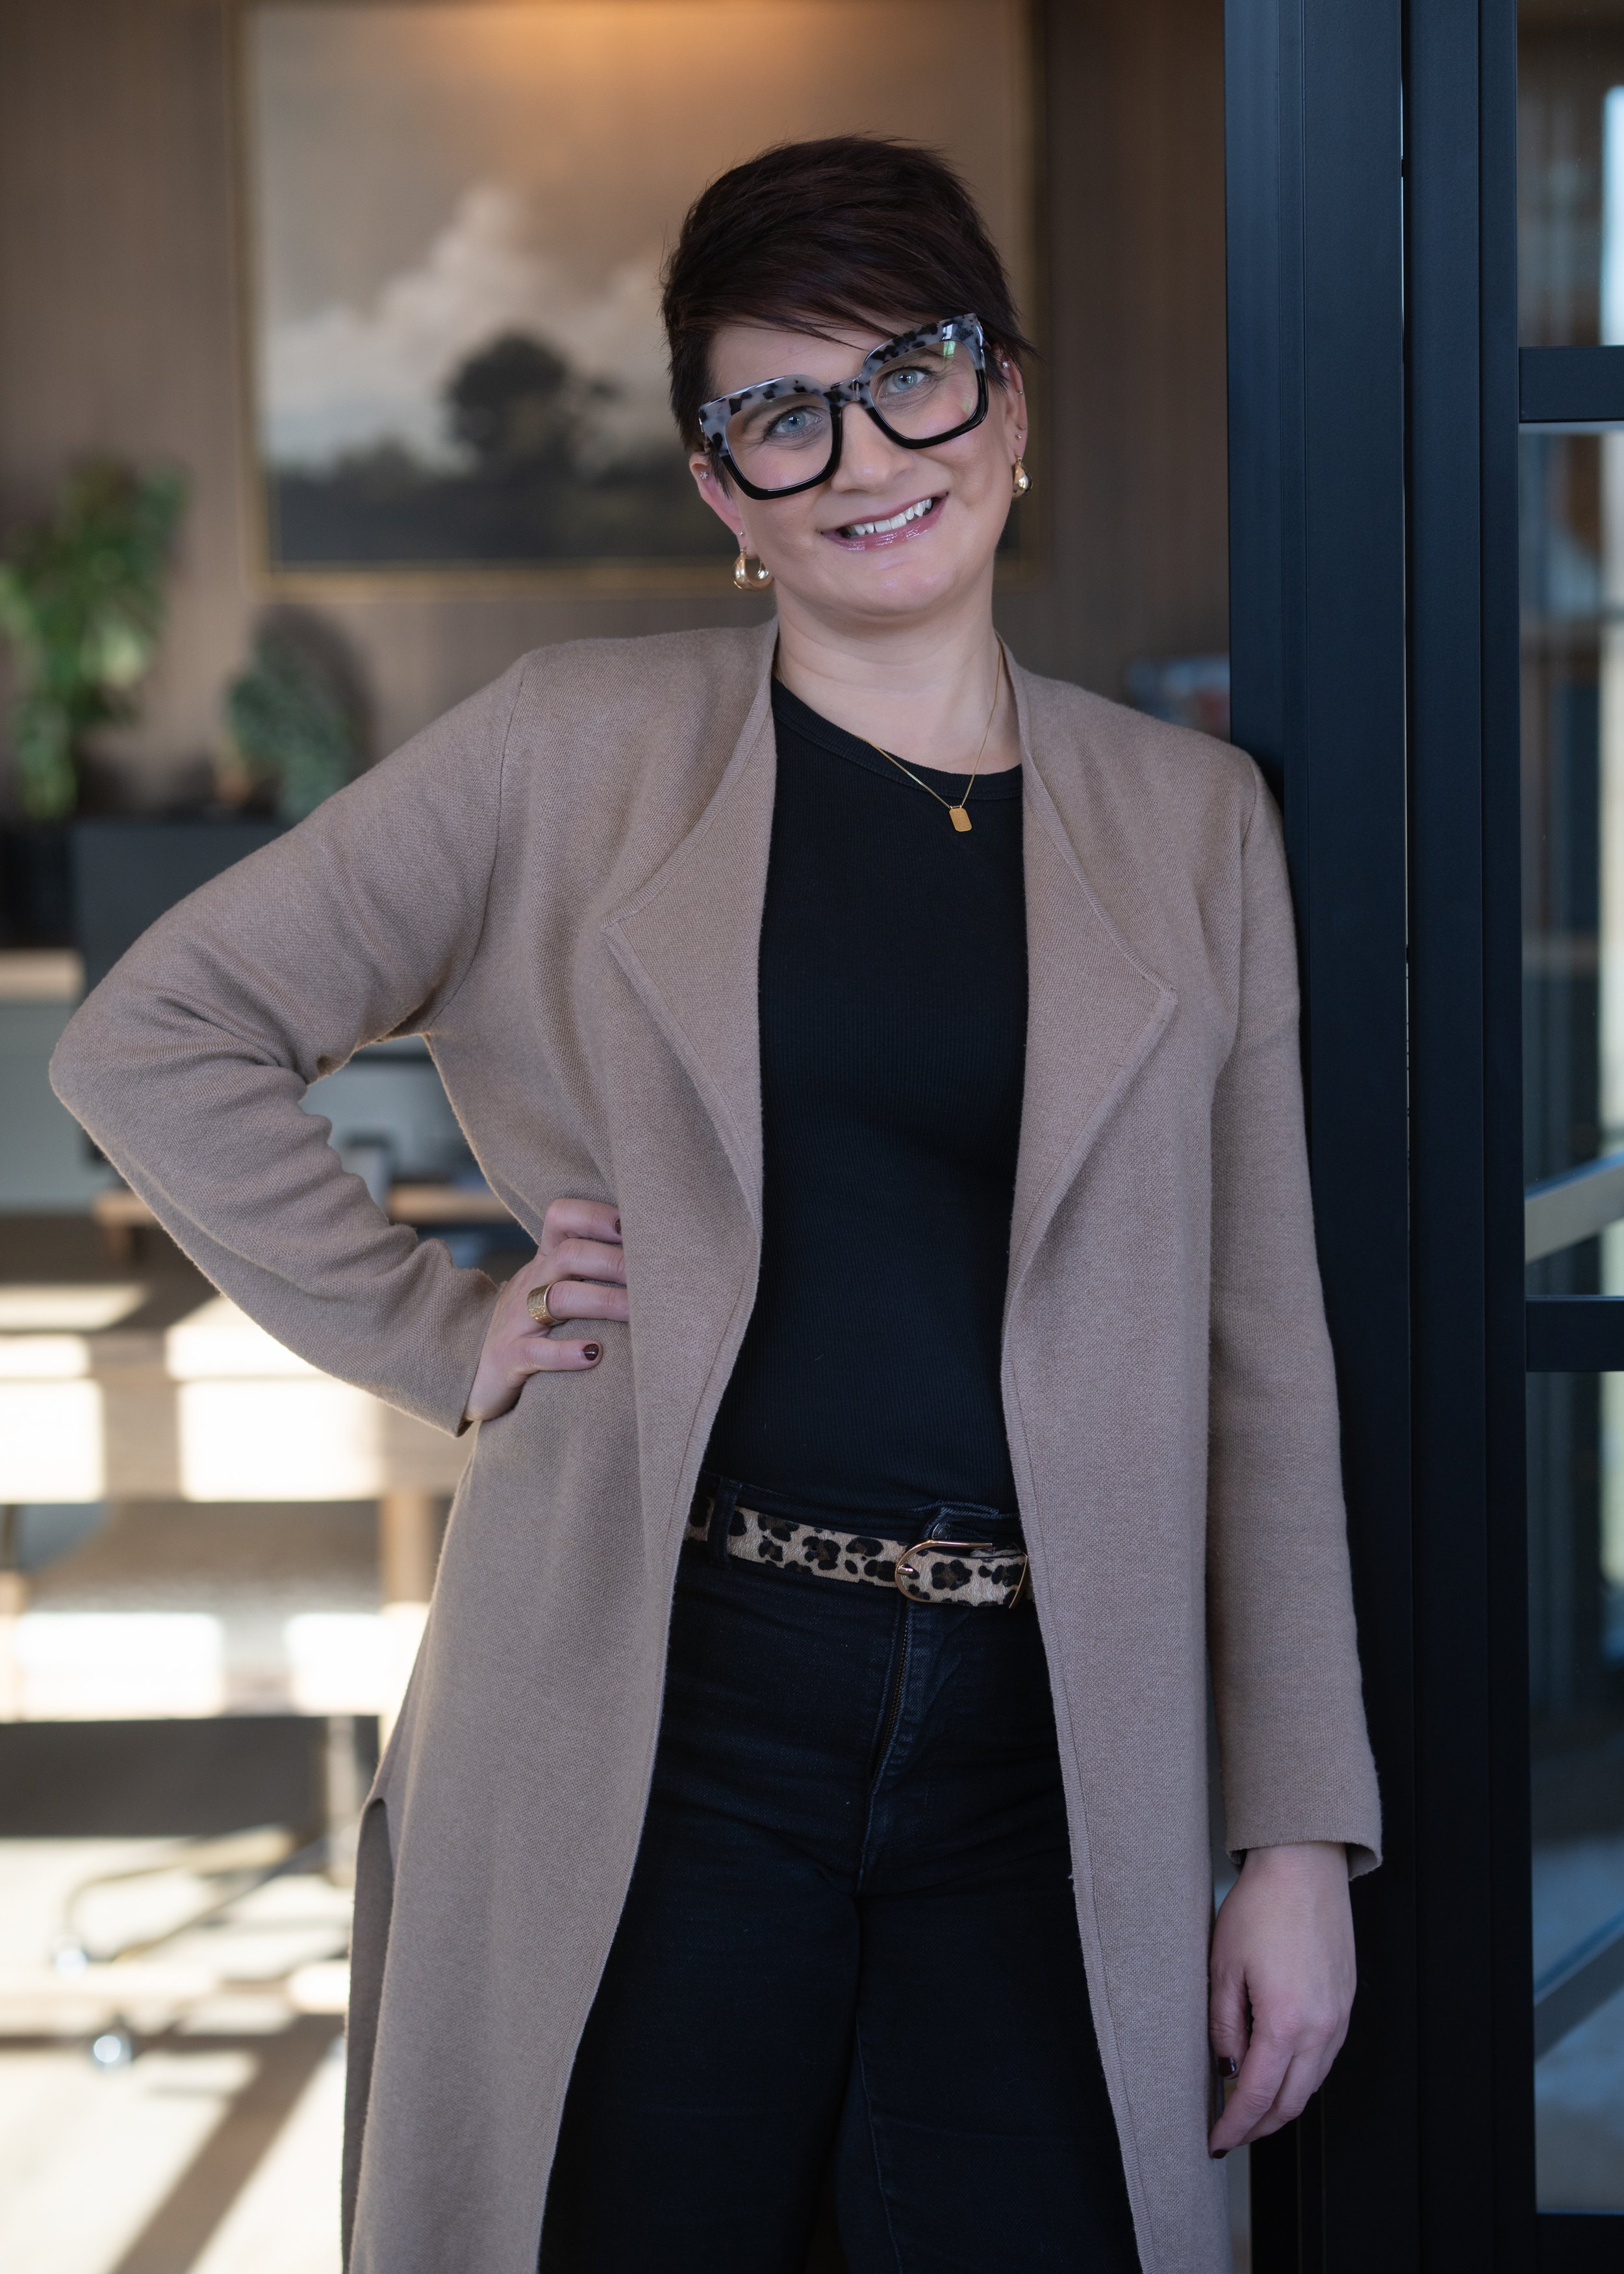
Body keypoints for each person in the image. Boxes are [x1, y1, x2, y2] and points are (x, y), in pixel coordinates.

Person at [51, 136, 1379, 2274]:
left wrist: (1296, 1827)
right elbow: (154, 1034)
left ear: (1008, 403)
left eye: (913, 372)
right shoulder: (566, 753)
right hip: (668, 1705)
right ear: (718, 487)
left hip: (1054, 1741)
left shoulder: (1192, 824)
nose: (863, 451)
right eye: (781, 410)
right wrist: (426, 1319)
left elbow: (1263, 1356)